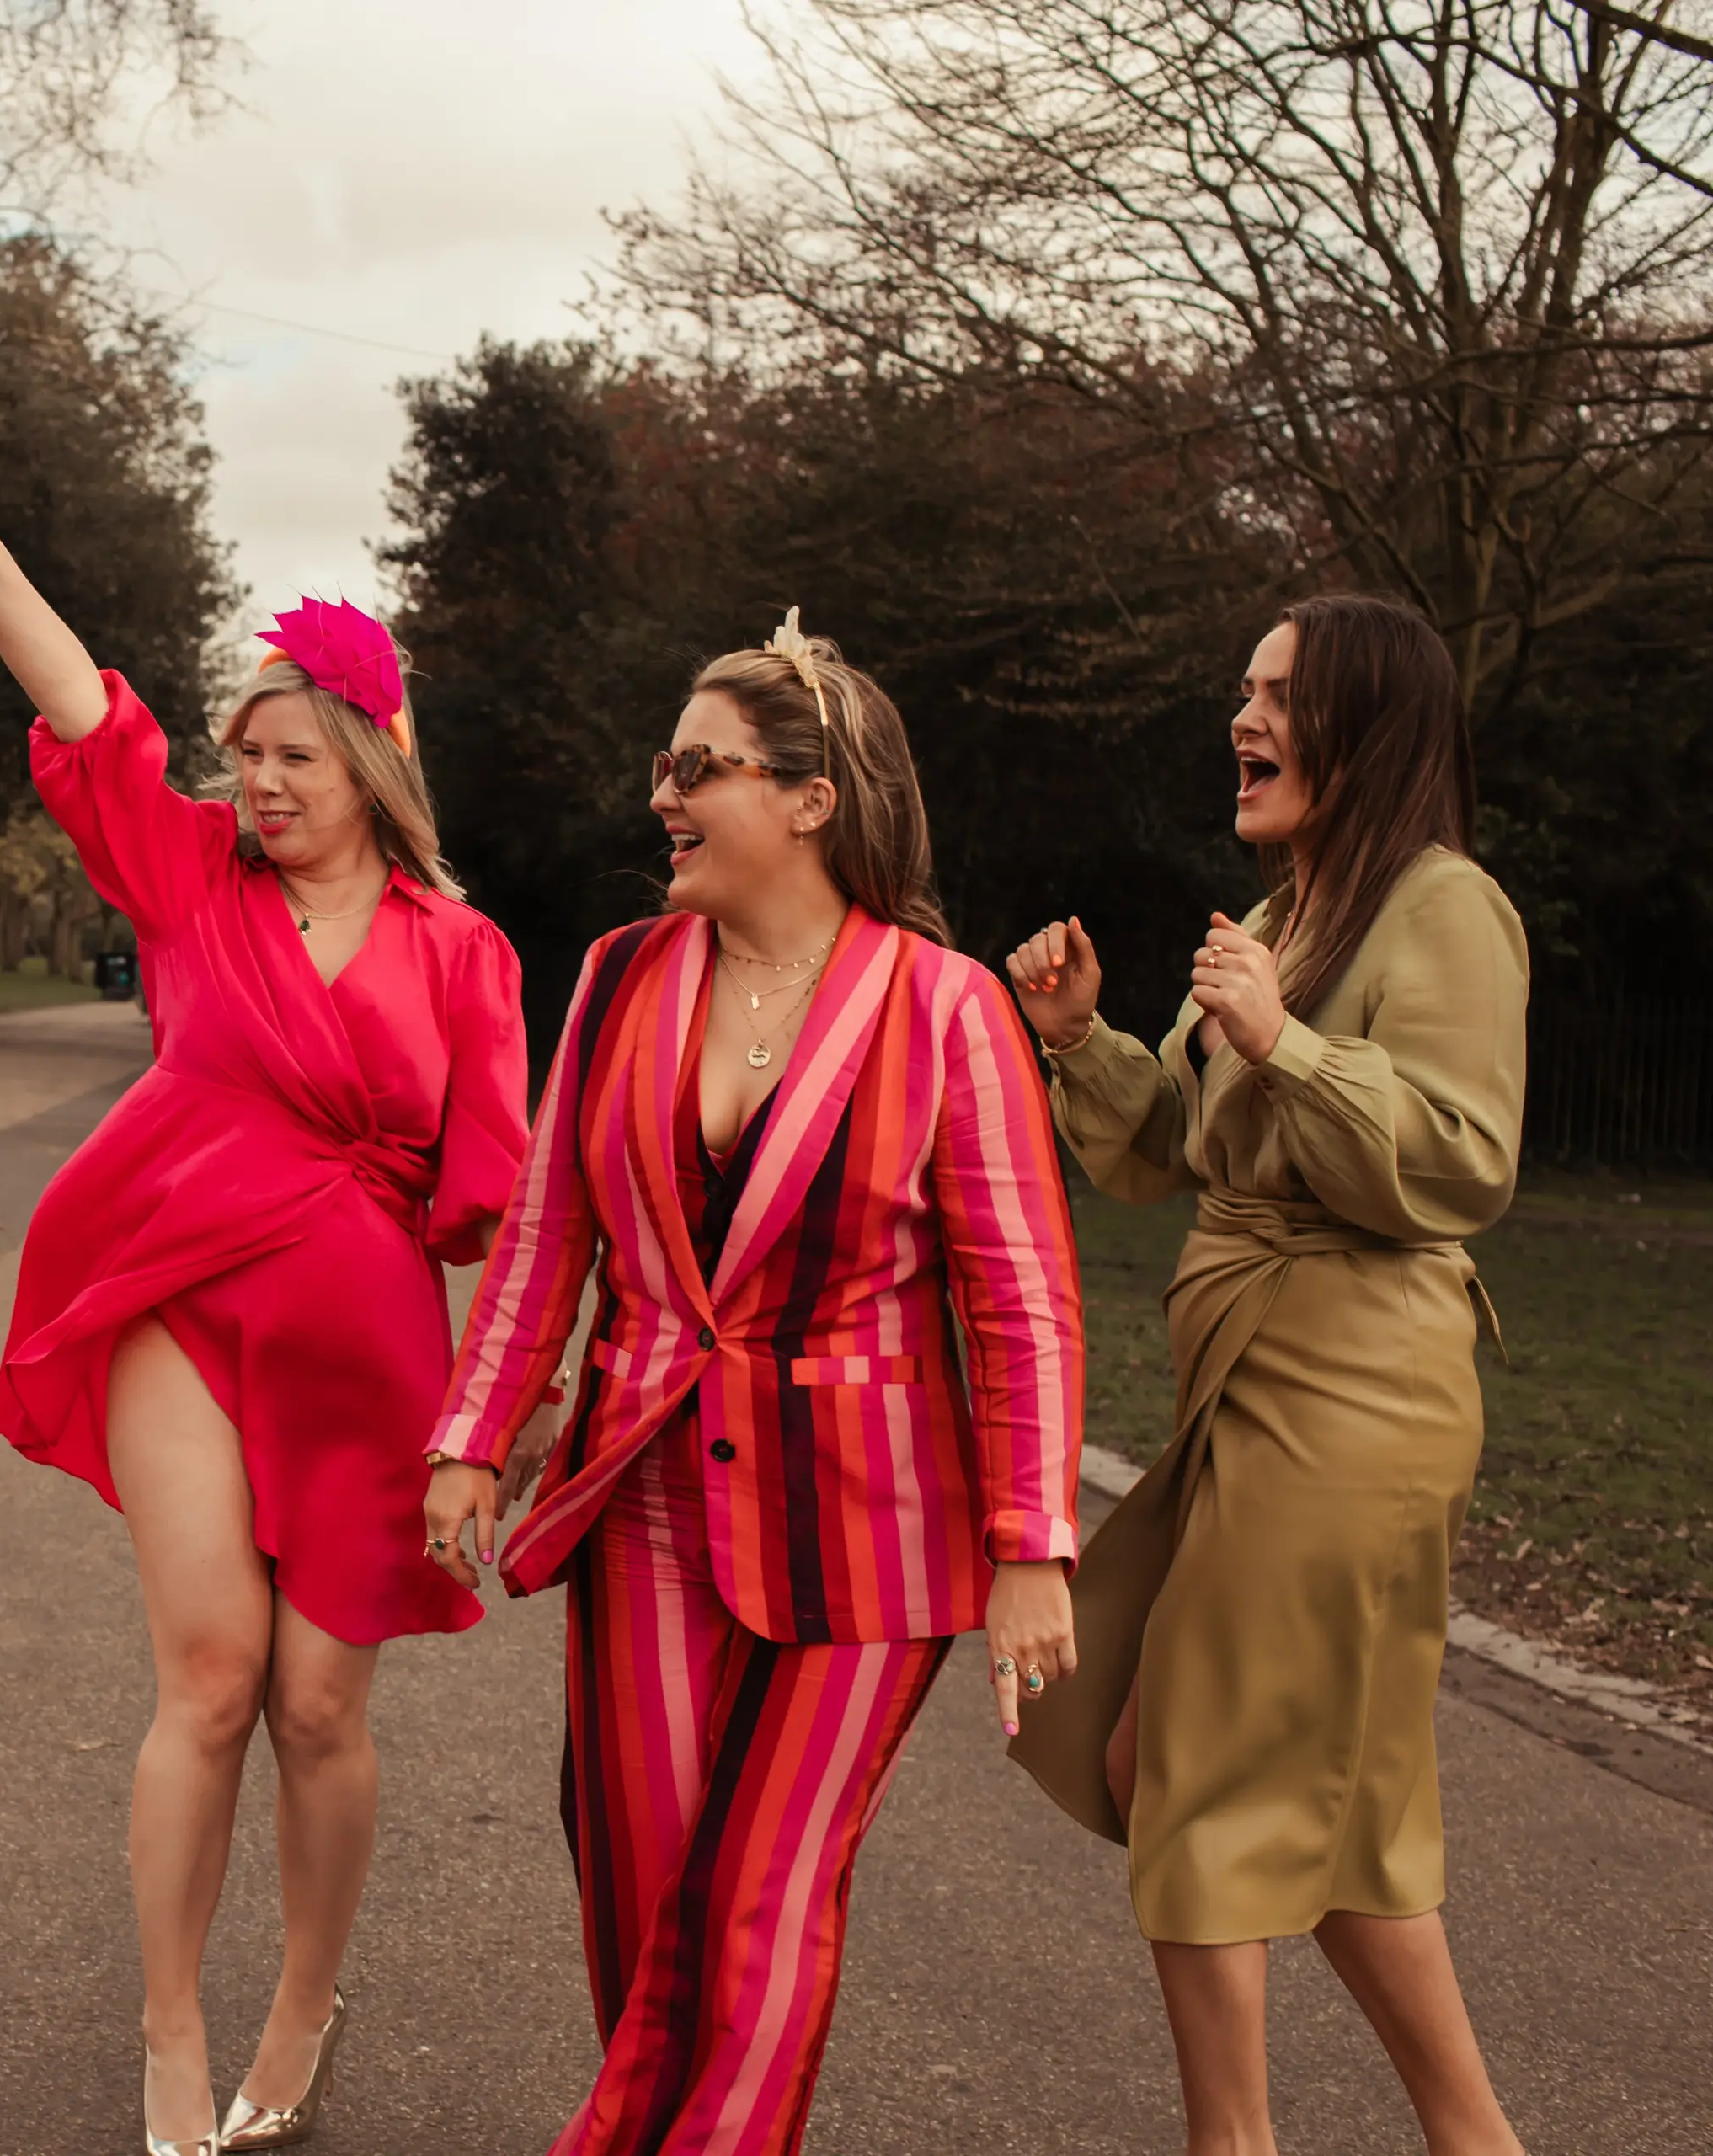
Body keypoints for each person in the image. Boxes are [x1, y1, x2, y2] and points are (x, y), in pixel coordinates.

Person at [0, 491, 531, 2156]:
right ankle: (166, 2027)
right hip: (173, 1298)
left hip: (366, 1355)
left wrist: (493, 1415)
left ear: (373, 762)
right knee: (212, 1675)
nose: (262, 782)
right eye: (247, 754)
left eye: (295, 754)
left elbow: (504, 1199)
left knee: (318, 1708)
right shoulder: (190, 876)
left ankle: (302, 1996)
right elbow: (93, 718)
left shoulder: (464, 948)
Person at [424, 613, 1085, 2156]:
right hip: (642, 1492)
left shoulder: (945, 1007)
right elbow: (549, 1234)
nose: (662, 794)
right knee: (647, 1884)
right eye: (665, 766)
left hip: (871, 1530)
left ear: (810, 798)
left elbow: (1023, 1297)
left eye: (697, 766)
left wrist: (1033, 1541)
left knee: (761, 1898)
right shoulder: (614, 975)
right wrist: (476, 1433)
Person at [1004, 594, 1529, 2156]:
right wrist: (1087, 1038)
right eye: (1242, 688)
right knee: (1335, 1807)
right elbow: (1181, 1153)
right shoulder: (1292, 918)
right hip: (1259, 1395)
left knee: (1180, 1764)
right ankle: (1476, 2138)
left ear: (1365, 725)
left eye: (1277, 694)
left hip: (1358, 1401)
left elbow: (1463, 1157)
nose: (1241, 719)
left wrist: (1290, 1041)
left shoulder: (1446, 908)